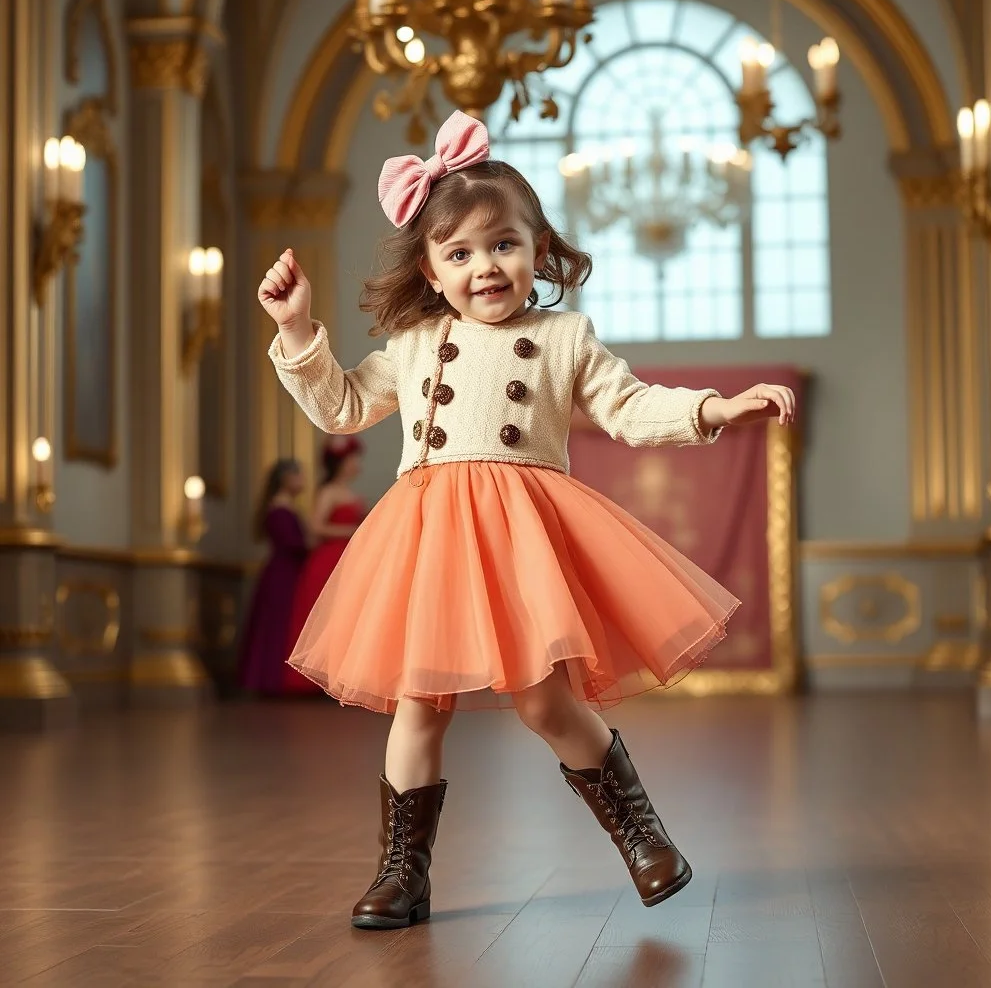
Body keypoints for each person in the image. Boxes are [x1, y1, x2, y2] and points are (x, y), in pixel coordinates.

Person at [257, 111, 796, 930]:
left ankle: (642, 833)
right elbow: (339, 406)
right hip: (429, 538)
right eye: (460, 253)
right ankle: (403, 871)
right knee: (418, 705)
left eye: (504, 244)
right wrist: (297, 331)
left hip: (520, 538)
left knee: (545, 701)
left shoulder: (563, 337)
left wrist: (720, 407)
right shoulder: (414, 342)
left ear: (539, 250)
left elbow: (631, 405)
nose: (485, 268)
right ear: (432, 272)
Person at [285, 435, 366, 685]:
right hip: (329, 559)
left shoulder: (346, 492)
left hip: (348, 557)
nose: (357, 464)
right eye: (353, 459)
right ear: (341, 462)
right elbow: (315, 526)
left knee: (348, 615)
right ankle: (319, 678)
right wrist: (351, 531)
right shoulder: (329, 492)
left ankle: (342, 677)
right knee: (330, 616)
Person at [237, 458, 310, 696]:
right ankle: (271, 680)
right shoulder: (280, 508)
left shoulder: (283, 505)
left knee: (280, 625)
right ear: (286, 478)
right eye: (299, 475)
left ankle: (274, 679)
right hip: (283, 574)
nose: (303, 480)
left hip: (287, 571)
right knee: (277, 626)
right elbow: (291, 543)